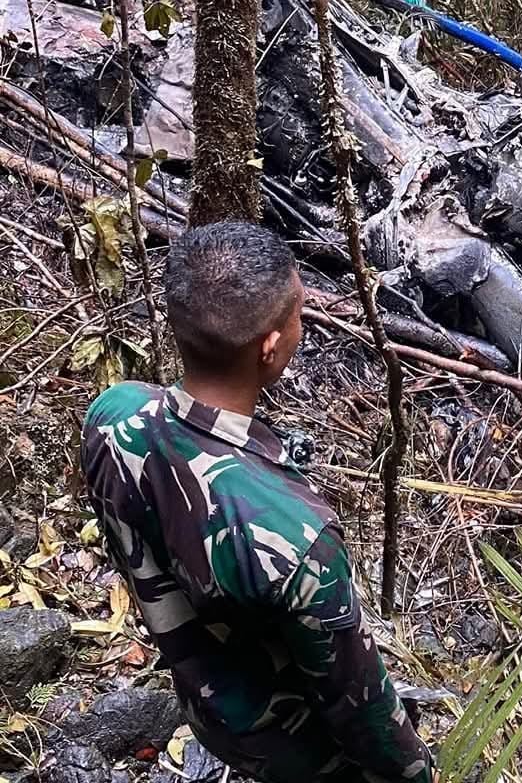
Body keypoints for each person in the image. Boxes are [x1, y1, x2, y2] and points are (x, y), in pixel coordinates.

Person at [81, 221, 432, 783]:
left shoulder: (112, 414)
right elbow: (357, 705)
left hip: (209, 710)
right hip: (297, 748)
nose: (300, 327)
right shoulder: (296, 538)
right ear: (270, 346)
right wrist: (415, 774)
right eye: (297, 315)